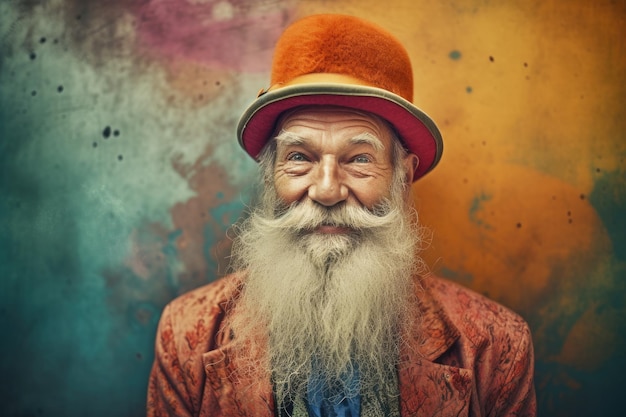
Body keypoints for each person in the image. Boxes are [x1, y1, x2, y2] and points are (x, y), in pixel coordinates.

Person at [146, 14, 536, 417]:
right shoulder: (185, 335)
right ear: (269, 174)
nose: (327, 190)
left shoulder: (495, 344)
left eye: (359, 159)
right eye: (299, 157)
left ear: (402, 177)